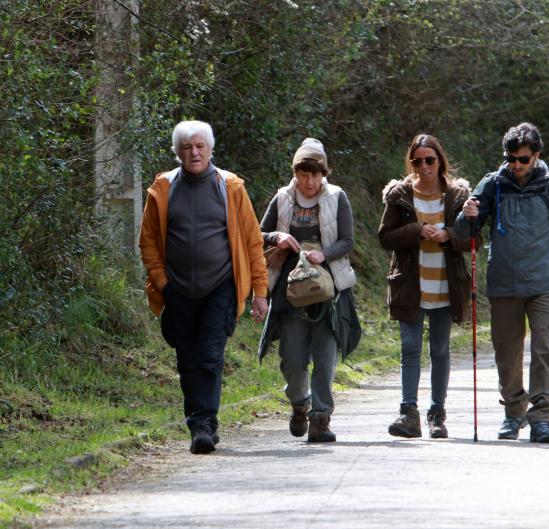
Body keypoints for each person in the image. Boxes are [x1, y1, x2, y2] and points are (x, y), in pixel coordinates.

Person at [454, 122, 549, 444]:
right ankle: (514, 412)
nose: (516, 165)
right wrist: (466, 214)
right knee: (507, 353)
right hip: (504, 285)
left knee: (545, 349)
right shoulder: (492, 184)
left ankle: (541, 417)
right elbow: (463, 234)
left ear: (537, 156)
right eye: (511, 158)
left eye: (523, 159)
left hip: (544, 284)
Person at [139, 120, 268, 454]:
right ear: (178, 151)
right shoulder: (164, 188)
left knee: (210, 356)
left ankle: (204, 425)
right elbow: (149, 243)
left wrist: (260, 291)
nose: (194, 153)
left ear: (210, 149)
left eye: (199, 146)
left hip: (220, 287)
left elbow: (253, 243)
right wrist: (163, 283)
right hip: (177, 290)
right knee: (188, 359)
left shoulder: (231, 187)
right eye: (187, 147)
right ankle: (198, 420)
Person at [257, 138, 356, 443]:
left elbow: (347, 240)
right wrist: (278, 236)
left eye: (315, 174)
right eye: (304, 174)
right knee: (292, 360)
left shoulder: (337, 197)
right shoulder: (283, 198)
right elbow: (257, 235)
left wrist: (324, 254)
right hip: (289, 293)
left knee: (325, 359)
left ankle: (321, 418)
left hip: (328, 293)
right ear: (295, 172)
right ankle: (300, 404)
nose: (309, 181)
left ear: (324, 173)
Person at [378, 134, 474, 439]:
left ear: (439, 160)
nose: (423, 166)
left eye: (429, 160)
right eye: (417, 160)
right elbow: (385, 237)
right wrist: (416, 230)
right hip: (410, 285)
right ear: (411, 162)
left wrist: (449, 236)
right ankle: (409, 414)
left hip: (446, 285)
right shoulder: (400, 195)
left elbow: (475, 240)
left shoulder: (458, 196)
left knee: (440, 350)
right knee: (409, 349)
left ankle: (437, 416)